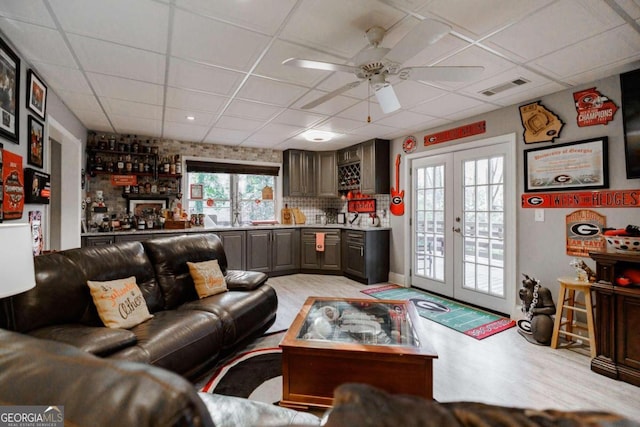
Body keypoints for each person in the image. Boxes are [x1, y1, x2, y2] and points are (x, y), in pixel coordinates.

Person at [518, 274, 556, 345]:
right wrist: (526, 309)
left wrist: (535, 310)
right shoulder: (526, 294)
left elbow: (552, 309)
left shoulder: (543, 291)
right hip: (532, 319)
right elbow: (527, 307)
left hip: (542, 319)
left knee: (542, 323)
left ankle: (540, 336)